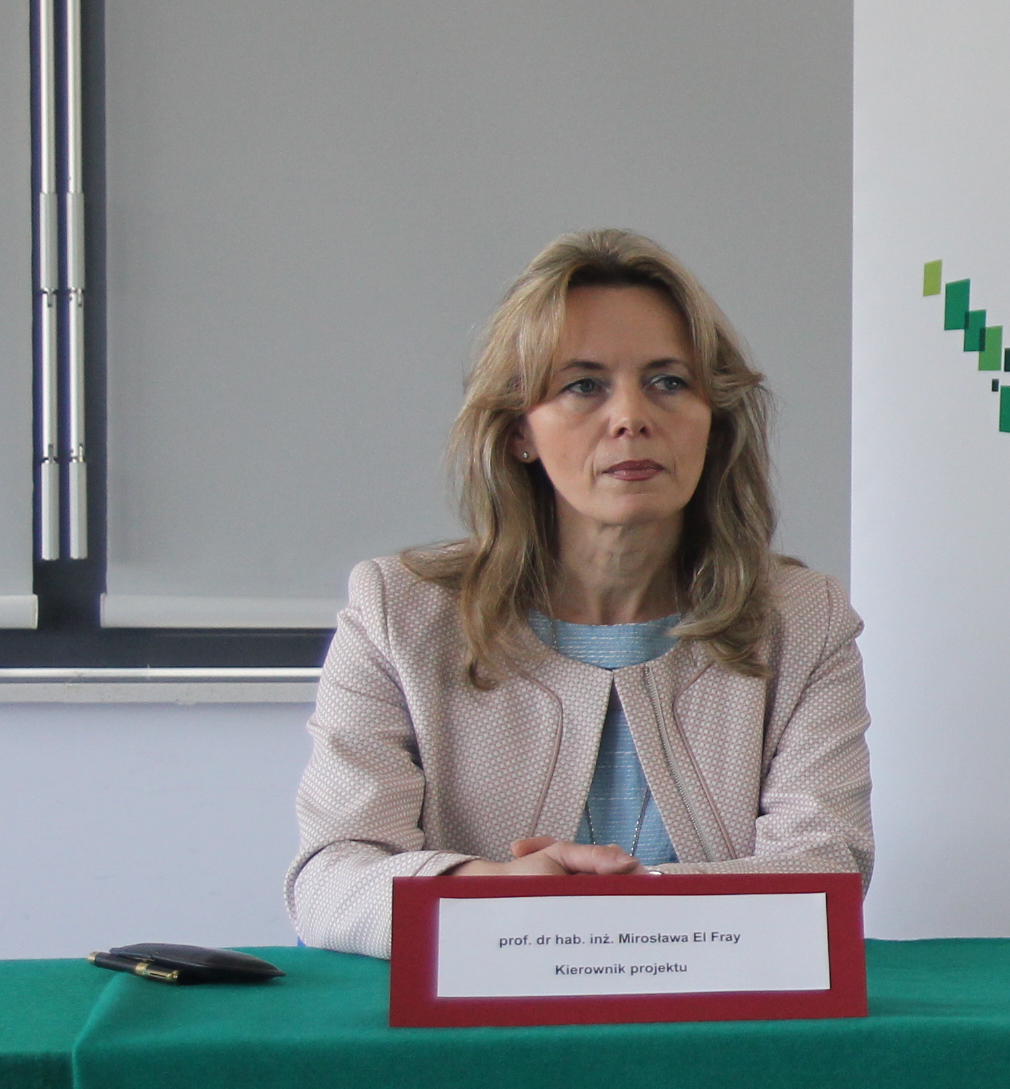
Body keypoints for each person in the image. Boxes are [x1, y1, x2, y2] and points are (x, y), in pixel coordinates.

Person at [287, 230, 873, 955]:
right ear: (518, 432)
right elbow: (330, 879)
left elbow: (824, 874)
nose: (631, 417)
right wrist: (485, 887)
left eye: (668, 382)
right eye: (583, 386)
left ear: (713, 420)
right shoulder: (398, 612)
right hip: (484, 1022)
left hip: (714, 1018)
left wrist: (591, 913)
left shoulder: (802, 620)